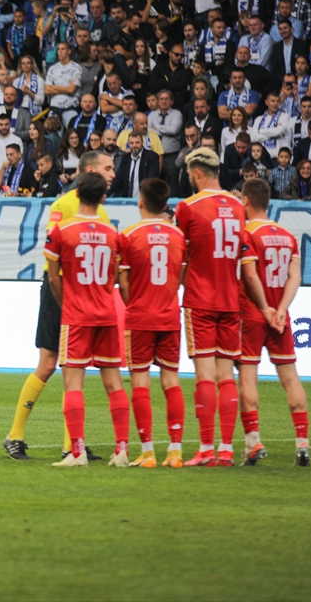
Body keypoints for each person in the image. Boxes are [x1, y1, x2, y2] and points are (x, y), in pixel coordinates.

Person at [3, 150, 115, 462]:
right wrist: (65, 299)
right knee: (50, 362)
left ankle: (72, 444)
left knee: (73, 367)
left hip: (85, 297)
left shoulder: (101, 212)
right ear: (90, 170)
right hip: (60, 290)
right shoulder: (62, 204)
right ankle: (15, 435)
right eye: (108, 168)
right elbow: (53, 255)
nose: (113, 173)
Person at [174, 147, 273, 467]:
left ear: (197, 172)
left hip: (200, 300)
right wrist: (265, 305)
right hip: (231, 301)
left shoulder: (187, 207)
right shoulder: (237, 205)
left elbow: (180, 258)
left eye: (190, 173)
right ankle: (227, 450)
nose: (189, 177)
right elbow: (247, 266)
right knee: (225, 377)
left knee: (204, 376)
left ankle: (205, 449)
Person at [43, 173, 129, 468]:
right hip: (105, 312)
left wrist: (68, 303)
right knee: (114, 382)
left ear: (77, 193)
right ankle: (122, 450)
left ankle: (77, 452)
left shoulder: (60, 231)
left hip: (77, 315)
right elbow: (117, 276)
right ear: (103, 198)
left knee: (74, 384)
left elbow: (54, 279)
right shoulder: (113, 234)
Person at [238, 178, 311, 467]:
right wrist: (281, 308)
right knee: (290, 377)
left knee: (248, 376)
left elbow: (251, 275)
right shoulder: (287, 235)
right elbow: (295, 277)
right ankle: (303, 444)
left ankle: (253, 442)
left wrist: (266, 308)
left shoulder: (247, 234)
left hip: (253, 313)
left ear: (245, 201)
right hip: (280, 316)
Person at [116, 178, 186, 470]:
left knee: (141, 380)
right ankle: (176, 451)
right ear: (166, 204)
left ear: (140, 202)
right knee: (171, 380)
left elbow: (123, 281)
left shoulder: (128, 235)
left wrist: (135, 303)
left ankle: (147, 452)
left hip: (141, 316)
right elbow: (181, 275)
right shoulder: (179, 236)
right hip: (169, 314)